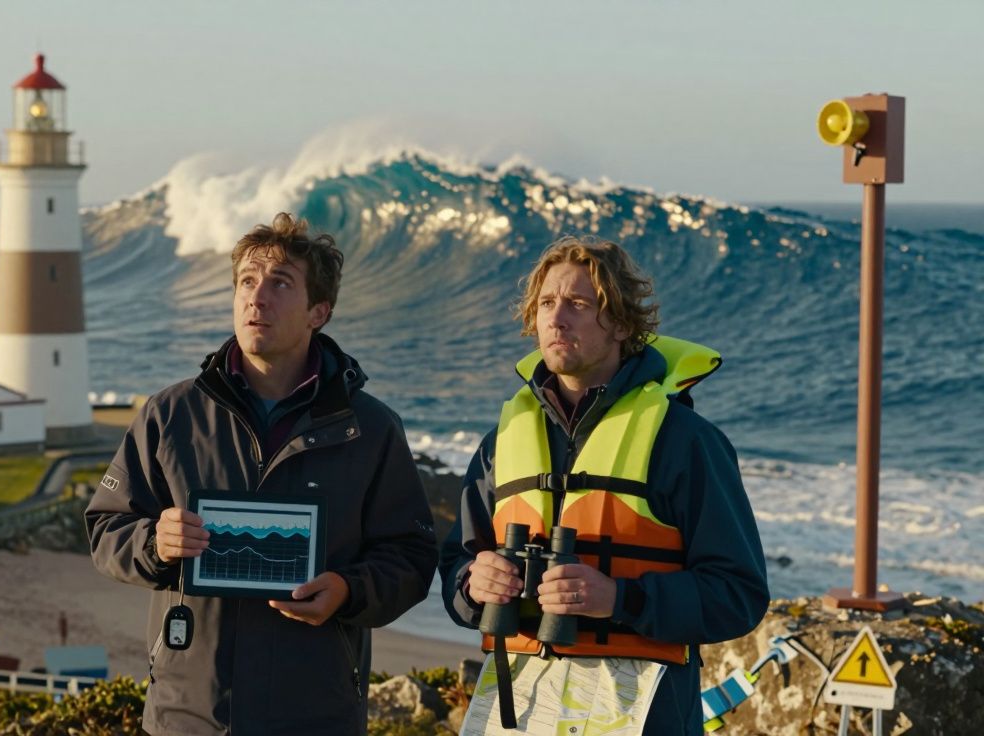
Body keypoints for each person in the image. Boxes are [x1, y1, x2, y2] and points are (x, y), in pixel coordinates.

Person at [86, 213, 437, 735]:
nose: (257, 297)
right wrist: (154, 542)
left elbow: (410, 555)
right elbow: (105, 529)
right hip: (189, 715)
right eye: (247, 281)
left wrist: (348, 589)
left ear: (319, 311)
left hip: (317, 714)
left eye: (280, 284)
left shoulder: (371, 428)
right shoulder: (170, 414)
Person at [439, 235, 768, 734]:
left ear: (618, 321)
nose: (556, 317)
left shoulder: (685, 442)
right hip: (519, 708)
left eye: (577, 303)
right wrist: (472, 584)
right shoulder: (501, 442)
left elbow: (738, 595)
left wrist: (620, 599)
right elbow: (456, 564)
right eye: (547, 303)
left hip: (645, 709)